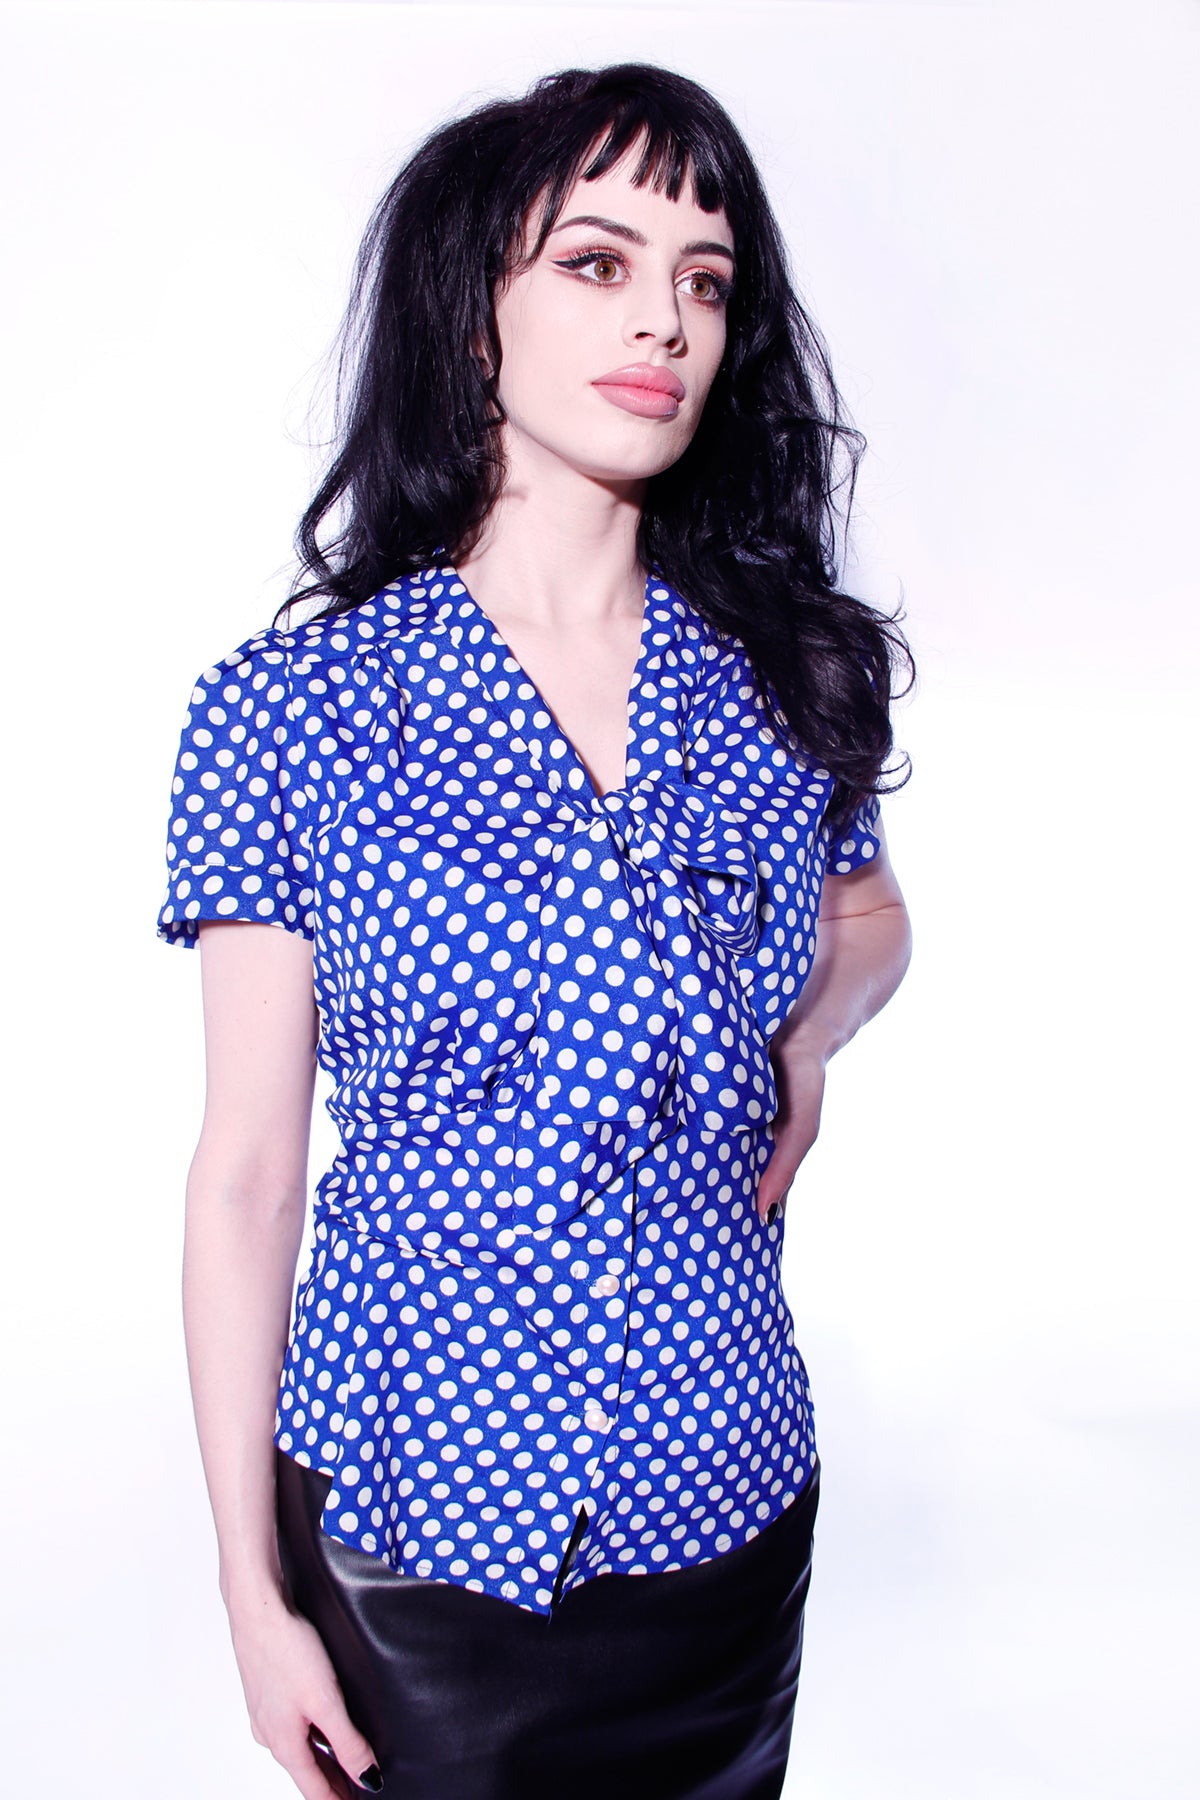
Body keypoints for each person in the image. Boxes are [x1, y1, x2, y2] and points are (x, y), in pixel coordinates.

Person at [157, 60, 913, 1800]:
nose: (664, 318)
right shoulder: (296, 708)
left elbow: (872, 914)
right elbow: (248, 1174)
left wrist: (810, 1023)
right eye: (596, 262)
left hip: (723, 1505)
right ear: (470, 311)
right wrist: (250, 1596)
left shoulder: (778, 678)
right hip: (418, 1526)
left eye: (704, 280)